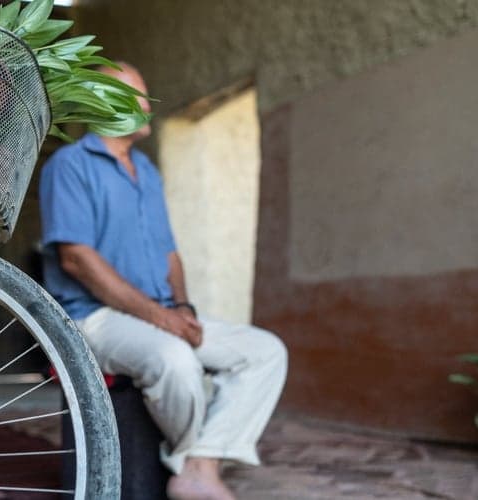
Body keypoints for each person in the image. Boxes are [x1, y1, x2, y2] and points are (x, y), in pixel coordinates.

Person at [38, 62, 288, 500]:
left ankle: (198, 467)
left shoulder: (147, 172)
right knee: (174, 359)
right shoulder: (69, 165)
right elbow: (77, 259)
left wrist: (183, 308)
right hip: (93, 319)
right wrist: (162, 319)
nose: (148, 104)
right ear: (103, 102)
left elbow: (169, 252)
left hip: (157, 313)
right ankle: (199, 468)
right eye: (138, 94)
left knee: (264, 352)